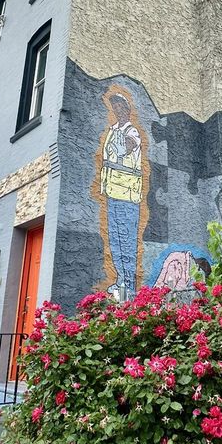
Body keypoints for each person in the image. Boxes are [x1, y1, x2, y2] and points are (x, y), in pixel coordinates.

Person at [99, 93, 143, 296]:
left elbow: (127, 146)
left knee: (127, 241)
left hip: (127, 194)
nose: (117, 110)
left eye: (120, 107)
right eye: (114, 107)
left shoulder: (131, 131)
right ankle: (120, 280)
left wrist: (123, 145)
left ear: (127, 109)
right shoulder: (113, 129)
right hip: (111, 192)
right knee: (115, 241)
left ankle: (130, 287)